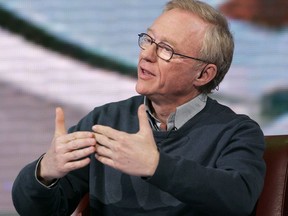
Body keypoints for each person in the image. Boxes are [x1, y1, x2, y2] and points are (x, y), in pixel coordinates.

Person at [12, 0, 266, 215]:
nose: (147, 54)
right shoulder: (105, 120)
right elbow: (40, 210)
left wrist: (155, 165)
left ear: (203, 74)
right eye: (148, 40)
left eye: (166, 49)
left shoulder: (236, 131)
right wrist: (44, 172)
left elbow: (239, 199)